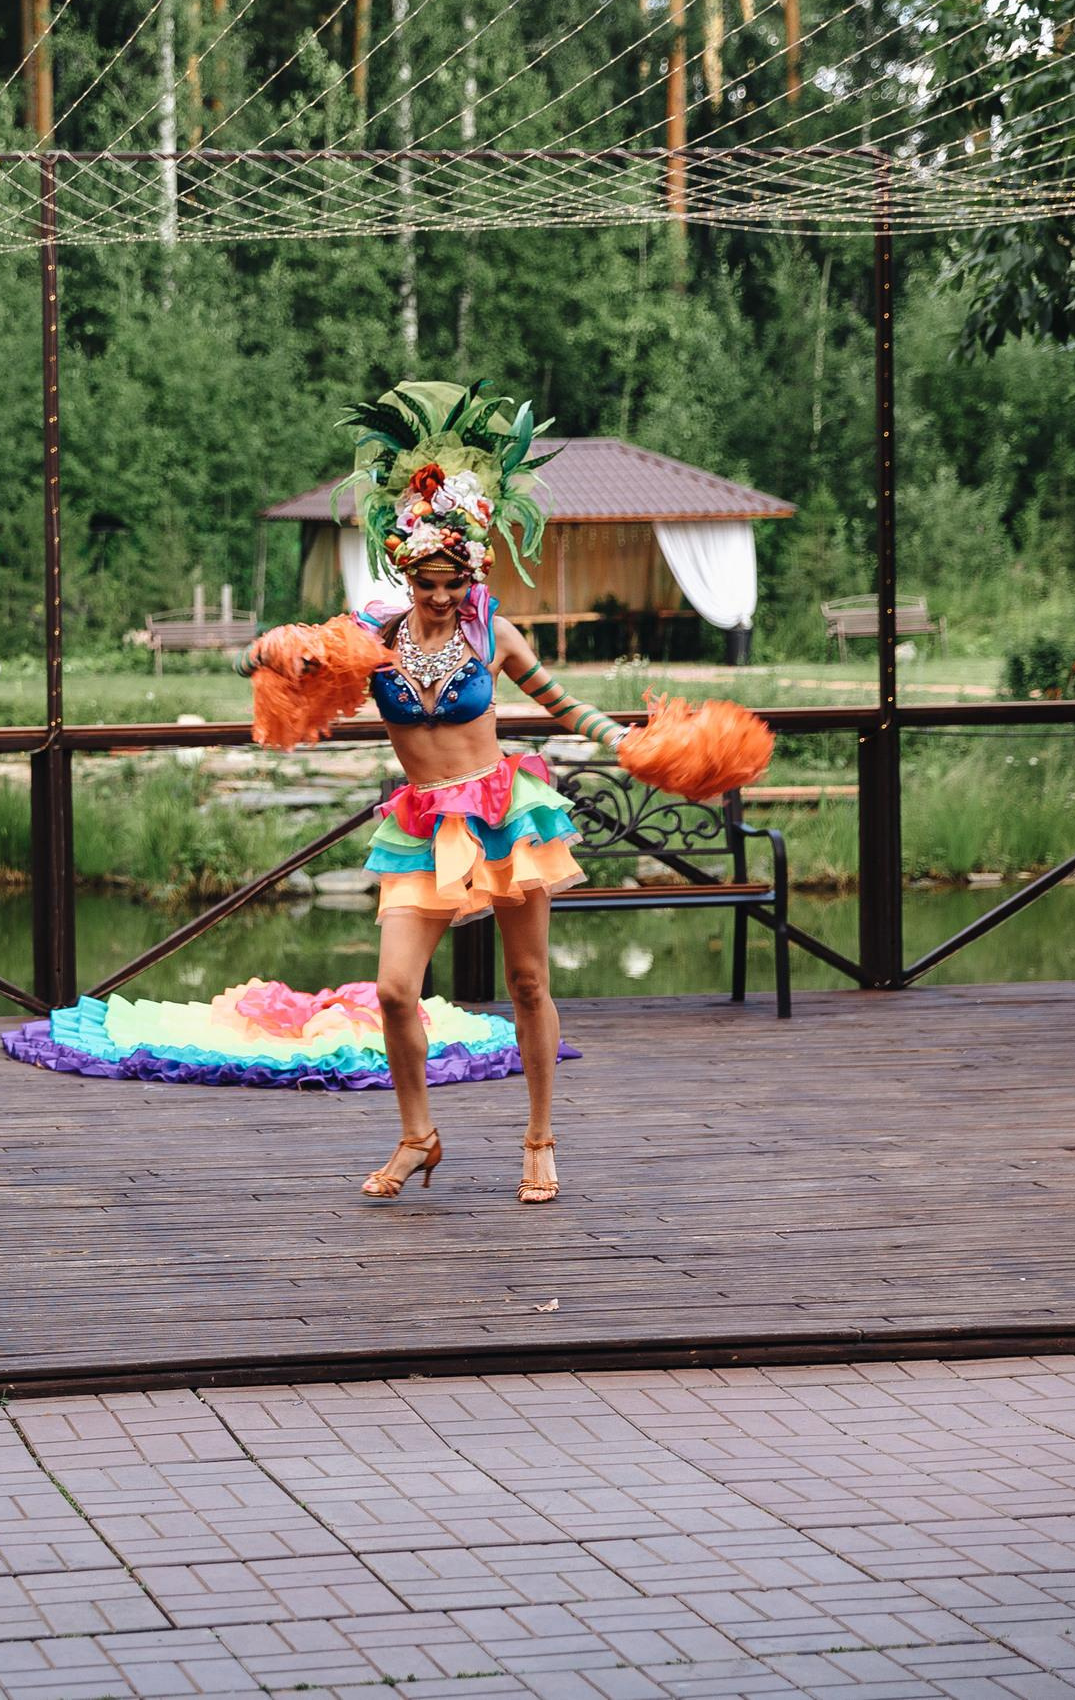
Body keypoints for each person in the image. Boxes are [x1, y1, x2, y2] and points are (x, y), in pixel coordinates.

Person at [247, 381, 770, 1206]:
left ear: (474, 568)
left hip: (500, 815)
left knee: (528, 982)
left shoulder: (496, 634)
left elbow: (565, 703)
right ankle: (418, 1135)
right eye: (429, 579)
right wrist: (270, 650)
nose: (444, 592)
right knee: (392, 989)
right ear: (406, 568)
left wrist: (629, 742)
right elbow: (281, 661)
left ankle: (539, 1136)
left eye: (457, 578)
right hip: (421, 825)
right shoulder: (371, 636)